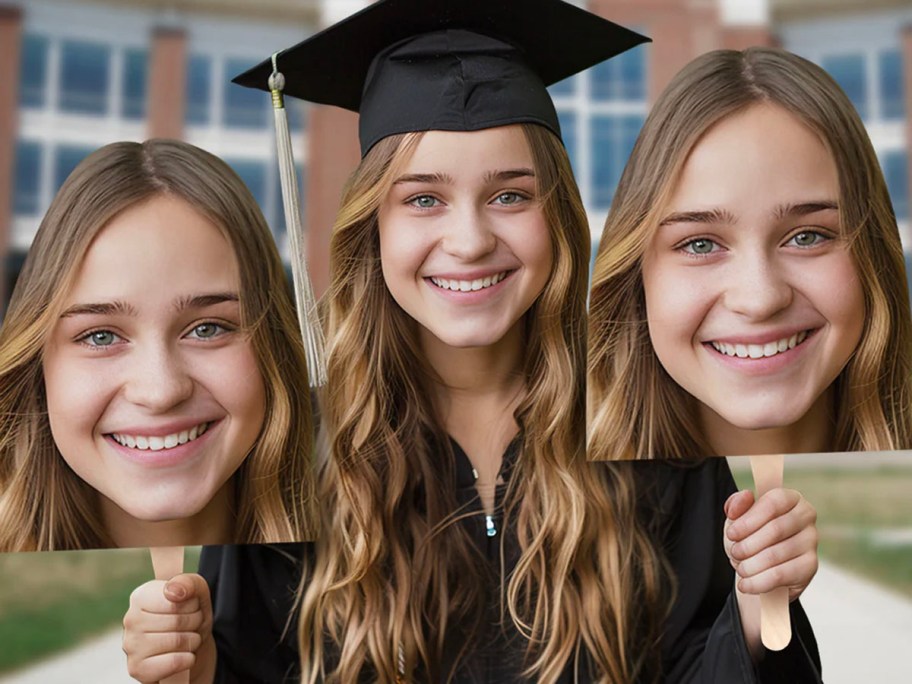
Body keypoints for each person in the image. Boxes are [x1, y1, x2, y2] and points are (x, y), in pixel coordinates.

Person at [122, 5, 822, 683]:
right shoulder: (286, 453)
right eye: (423, 199)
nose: (469, 240)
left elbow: (698, 664)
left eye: (510, 196)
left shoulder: (644, 426)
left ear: (557, 217)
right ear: (374, 226)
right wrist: (196, 665)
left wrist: (759, 607)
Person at [588, 46, 912, 461]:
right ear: (637, 277)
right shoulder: (559, 510)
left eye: (807, 237)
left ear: (873, 257)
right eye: (700, 244)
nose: (759, 300)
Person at [0, 140, 318, 549]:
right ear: (38, 366)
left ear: (272, 346)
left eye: (208, 329)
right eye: (101, 336)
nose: (161, 391)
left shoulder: (380, 571)